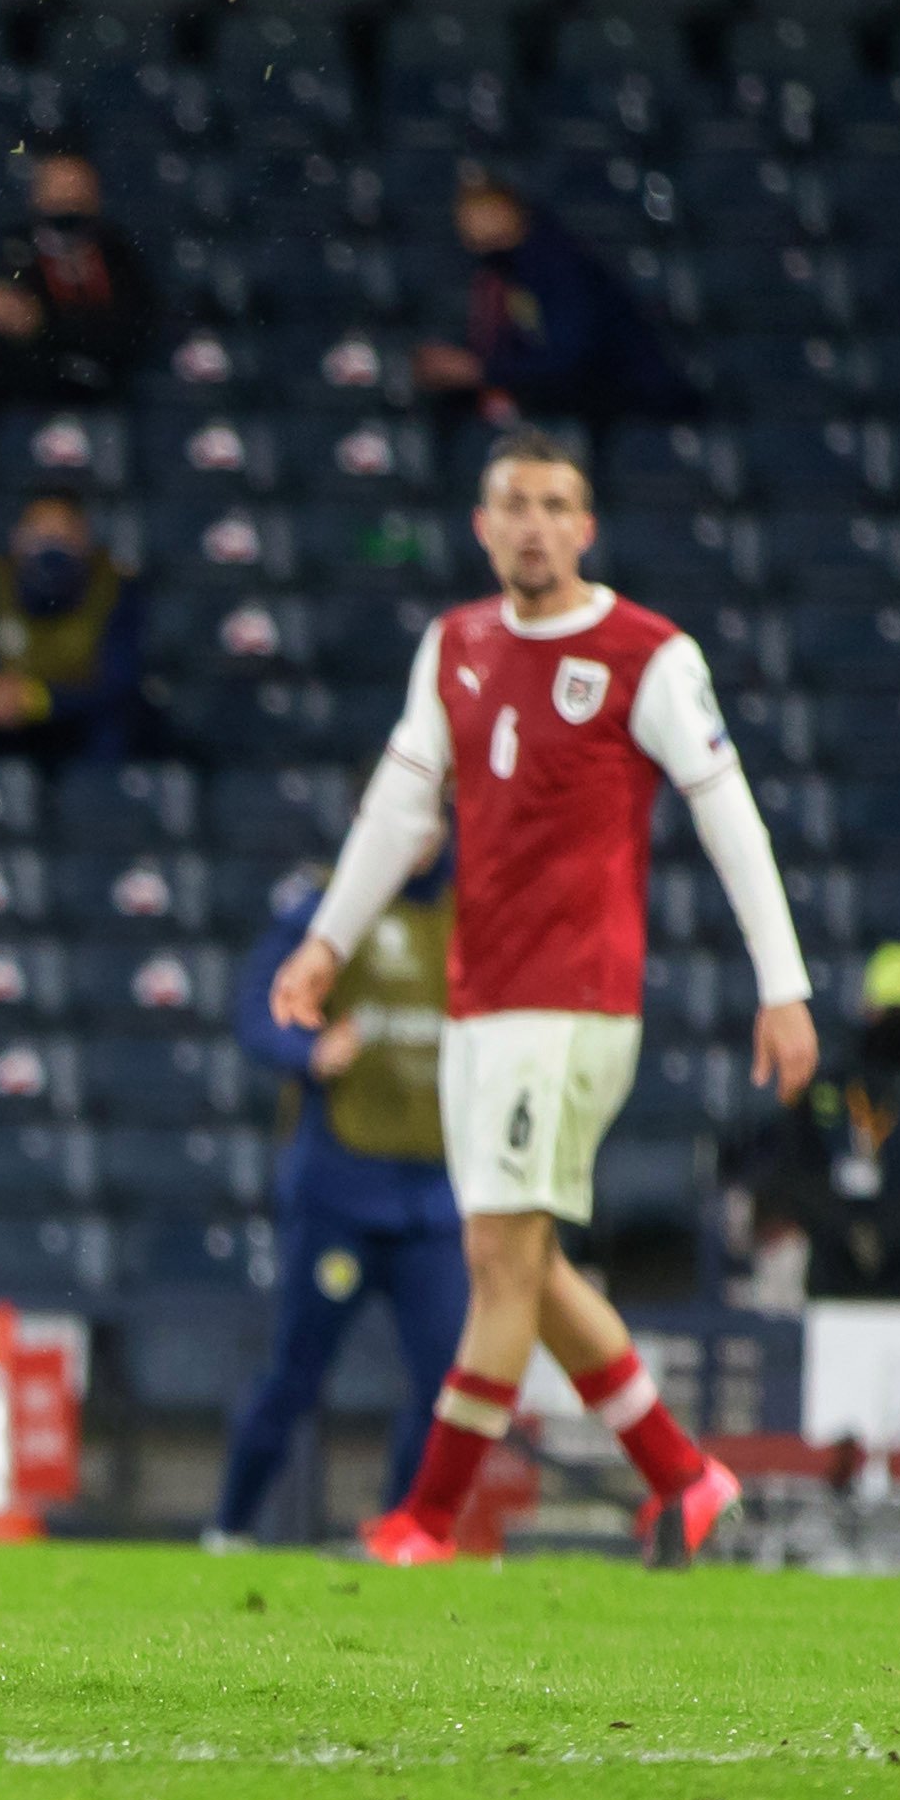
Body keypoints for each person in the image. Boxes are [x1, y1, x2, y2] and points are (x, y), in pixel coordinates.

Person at [269, 429, 818, 1569]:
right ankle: (684, 1470)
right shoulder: (453, 645)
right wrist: (325, 941)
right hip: (479, 1002)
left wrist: (782, 985)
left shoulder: (648, 653)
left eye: (554, 503)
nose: (531, 521)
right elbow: (398, 811)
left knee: (497, 1259)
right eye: (511, 501)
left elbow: (729, 817)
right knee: (524, 1260)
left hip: (570, 1006)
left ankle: (426, 1518)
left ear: (585, 526)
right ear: (482, 524)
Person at [212, 855, 467, 1545]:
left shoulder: (471, 904)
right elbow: (257, 1005)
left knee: (445, 1383)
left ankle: (398, 1530)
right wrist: (307, 1047)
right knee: (295, 1374)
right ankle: (229, 1527)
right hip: (341, 1192)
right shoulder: (332, 906)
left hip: (437, 1200)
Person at [730, 942, 900, 1303]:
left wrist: (876, 1231)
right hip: (844, 1285)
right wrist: (857, 1230)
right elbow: (792, 1173)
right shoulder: (831, 1088)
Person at [411, 180, 696, 440]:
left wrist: (479, 369)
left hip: (628, 408)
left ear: (512, 210)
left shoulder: (557, 264)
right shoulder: (500, 272)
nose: (475, 225)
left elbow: (570, 358)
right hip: (570, 405)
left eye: (486, 211)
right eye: (467, 216)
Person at [0, 152, 156, 416]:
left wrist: (44, 320)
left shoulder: (117, 253)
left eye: (76, 194)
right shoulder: (8, 248)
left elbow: (134, 326)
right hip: (24, 394)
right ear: (35, 197)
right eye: (57, 193)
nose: (66, 204)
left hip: (99, 393)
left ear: (95, 199)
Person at [0, 492, 148, 767]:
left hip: (82, 720)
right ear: (17, 538)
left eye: (63, 532)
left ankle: (103, 804)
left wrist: (39, 699)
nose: (51, 544)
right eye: (39, 532)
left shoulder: (115, 587)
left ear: (84, 538)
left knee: (117, 727)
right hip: (9, 726)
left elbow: (120, 685)